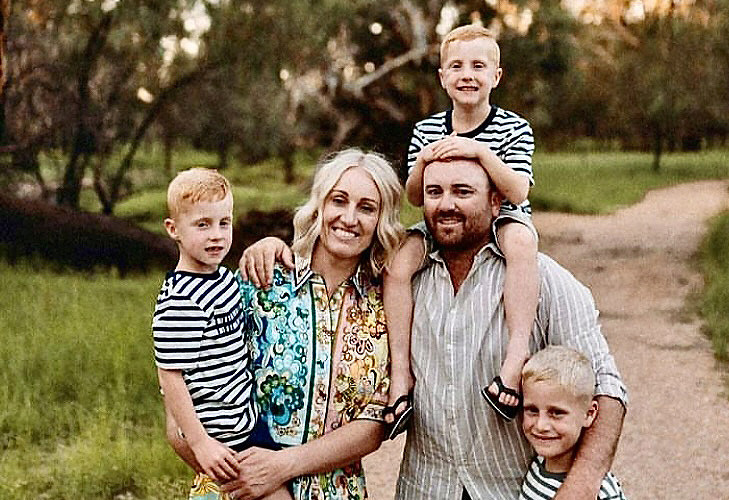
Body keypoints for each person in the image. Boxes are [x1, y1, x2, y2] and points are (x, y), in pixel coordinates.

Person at [240, 155, 628, 499]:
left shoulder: (541, 279)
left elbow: (606, 386)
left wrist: (581, 484)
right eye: (434, 192)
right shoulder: (398, 285)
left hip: (511, 487)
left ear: (496, 202)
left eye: (463, 191)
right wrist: (273, 245)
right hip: (426, 487)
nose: (446, 204)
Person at [172, 149, 405, 499]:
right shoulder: (258, 282)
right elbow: (181, 416)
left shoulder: (383, 305)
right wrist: (254, 484)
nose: (349, 217)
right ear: (319, 206)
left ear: (381, 219)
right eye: (338, 200)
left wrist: (283, 466)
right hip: (240, 490)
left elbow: (373, 425)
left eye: (367, 208)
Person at [383, 24, 539, 435]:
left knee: (523, 241)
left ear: (496, 76)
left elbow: (518, 189)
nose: (467, 74)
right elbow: (416, 197)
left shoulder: (513, 127)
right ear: (442, 77)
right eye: (456, 66)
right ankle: (401, 375)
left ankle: (515, 354)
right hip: (444, 219)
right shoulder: (428, 129)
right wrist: (421, 163)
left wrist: (479, 152)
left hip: (502, 216)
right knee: (398, 265)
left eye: (478, 66)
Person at [152, 168, 291, 499]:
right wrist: (200, 443)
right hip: (220, 436)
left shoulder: (226, 280)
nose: (216, 235)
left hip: (248, 419)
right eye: (202, 224)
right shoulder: (180, 300)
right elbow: (170, 376)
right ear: (174, 229)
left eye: (223, 223)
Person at [519, 346, 628, 500]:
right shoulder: (537, 464)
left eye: (556, 413)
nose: (540, 426)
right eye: (532, 410)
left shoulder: (602, 493)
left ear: (589, 414)